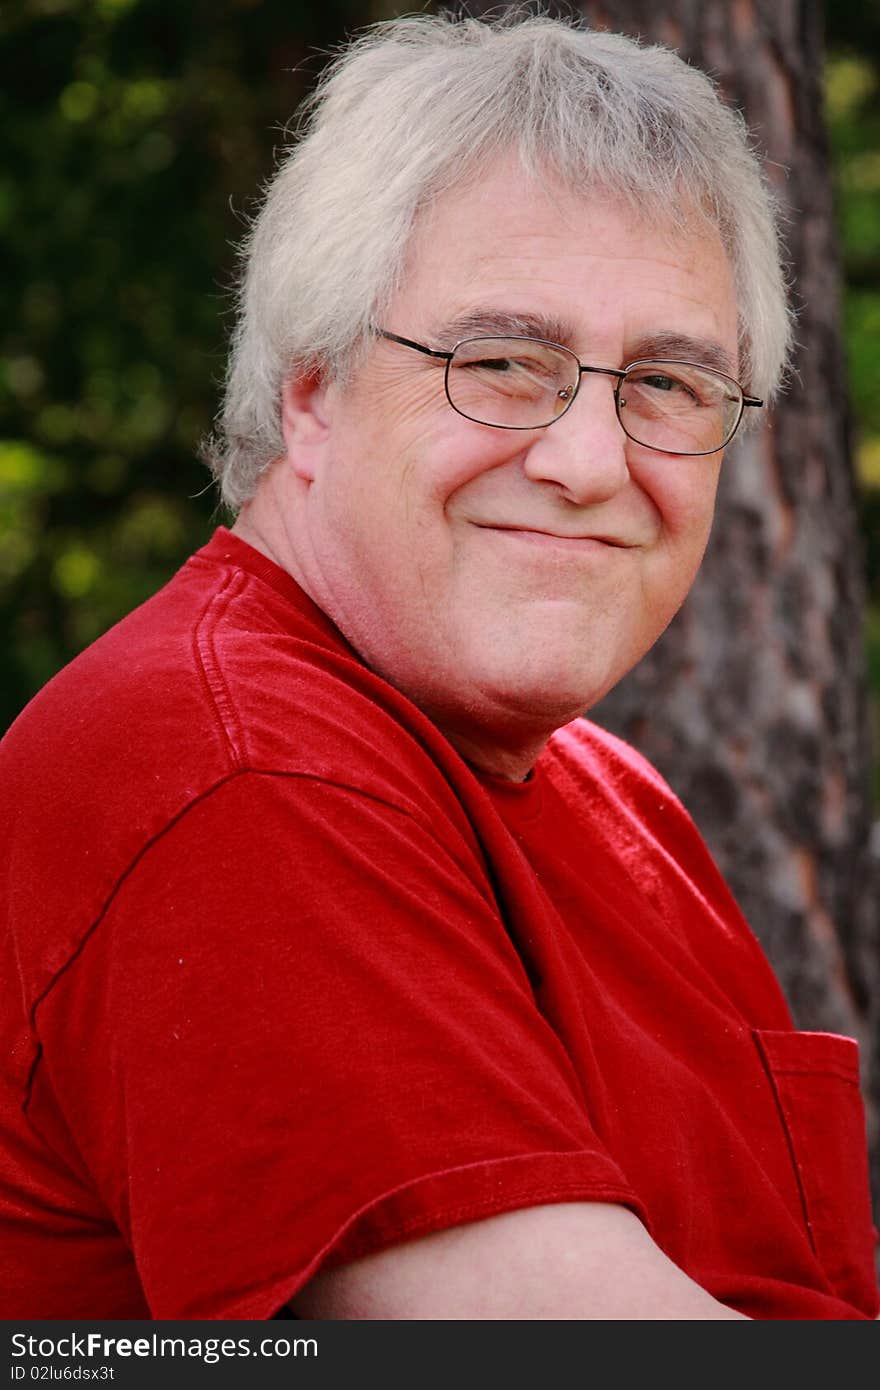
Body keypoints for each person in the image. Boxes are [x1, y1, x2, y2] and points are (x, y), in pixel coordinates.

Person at [1, 11, 877, 1323]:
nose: (590, 461)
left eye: (669, 384)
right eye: (503, 364)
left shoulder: (614, 801)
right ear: (311, 391)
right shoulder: (233, 766)